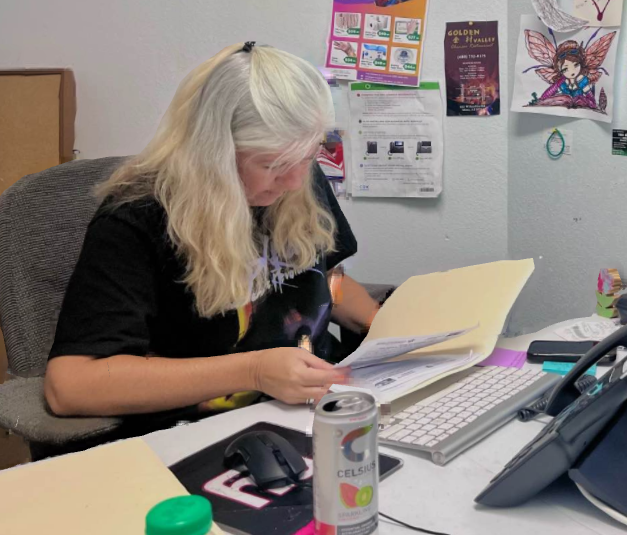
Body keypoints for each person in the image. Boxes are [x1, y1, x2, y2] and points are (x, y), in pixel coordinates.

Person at [44, 43, 381, 434]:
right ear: (214, 152)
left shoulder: (296, 185)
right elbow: (70, 385)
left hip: (320, 407)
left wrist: (380, 324)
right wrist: (254, 371)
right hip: (208, 432)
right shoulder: (137, 220)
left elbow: (324, 279)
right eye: (273, 164)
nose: (293, 181)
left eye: (307, 157)